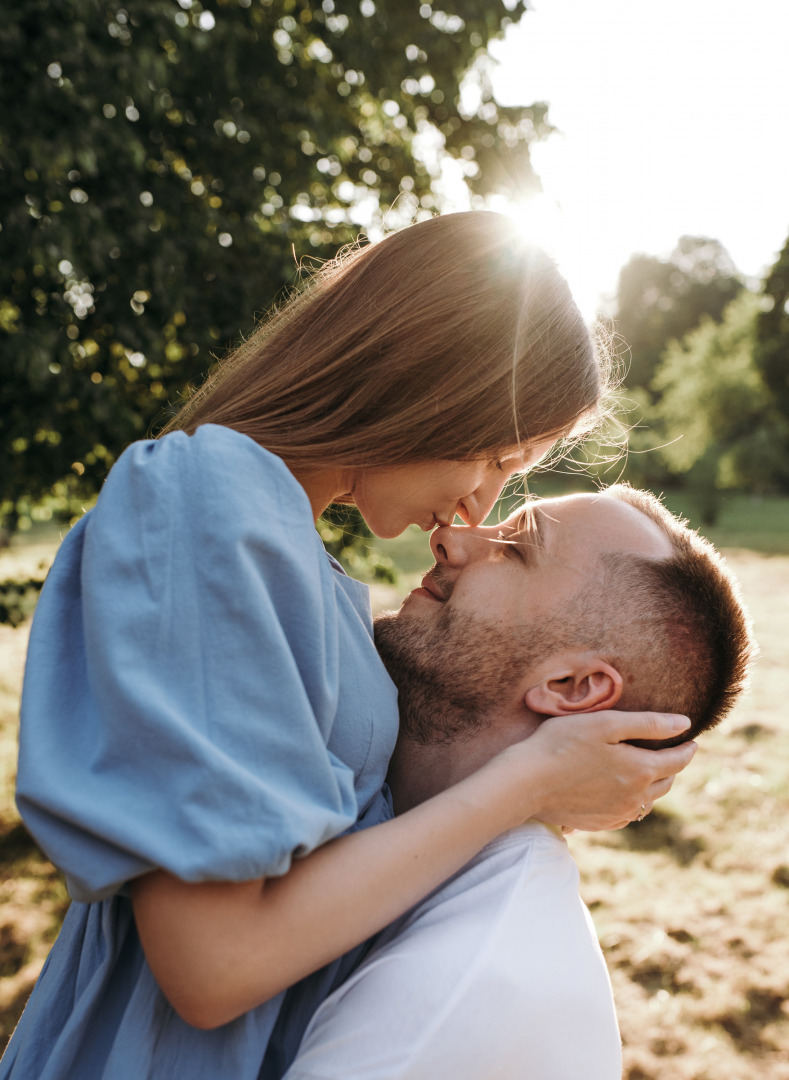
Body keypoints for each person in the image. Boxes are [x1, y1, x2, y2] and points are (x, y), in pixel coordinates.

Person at [2, 214, 696, 1080]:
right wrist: (532, 779)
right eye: (492, 455)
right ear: (428, 378)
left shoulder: (297, 558)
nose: (474, 507)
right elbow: (213, 968)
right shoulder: (210, 499)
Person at [280, 485, 754, 1080]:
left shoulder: (461, 986)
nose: (448, 538)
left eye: (518, 549)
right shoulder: (334, 798)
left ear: (573, 686)